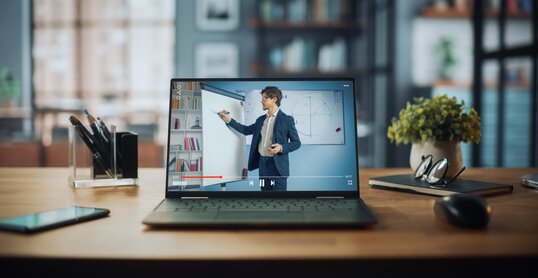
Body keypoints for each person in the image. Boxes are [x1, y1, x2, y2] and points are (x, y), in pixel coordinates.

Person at [218, 86, 301, 191]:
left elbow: (297, 143)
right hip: (263, 165)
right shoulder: (260, 120)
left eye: (265, 98)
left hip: (278, 167)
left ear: (274, 99)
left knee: (279, 201)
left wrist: (281, 148)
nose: (262, 101)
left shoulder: (287, 120)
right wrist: (229, 120)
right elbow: (246, 130)